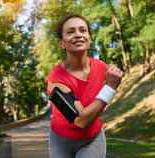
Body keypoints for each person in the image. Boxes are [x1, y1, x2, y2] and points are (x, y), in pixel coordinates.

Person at [46, 14, 123, 158]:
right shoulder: (55, 79)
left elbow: (98, 107)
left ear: (89, 38)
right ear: (62, 43)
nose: (78, 35)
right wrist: (110, 87)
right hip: (61, 140)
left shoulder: (102, 68)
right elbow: (81, 121)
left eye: (83, 30)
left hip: (92, 139)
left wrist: (111, 82)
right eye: (71, 32)